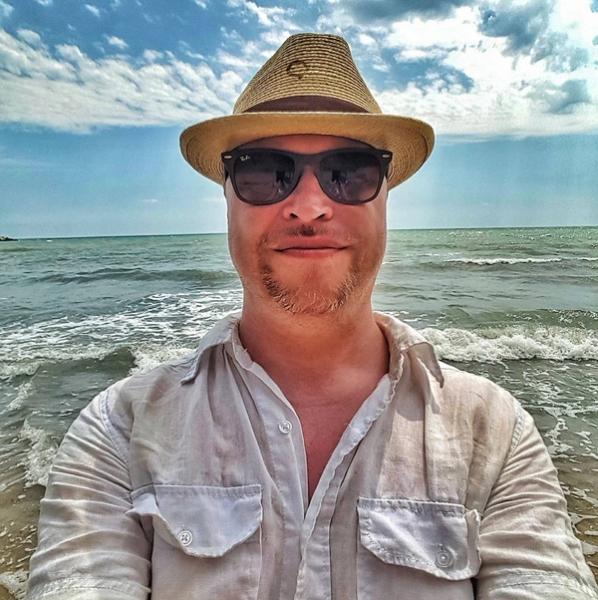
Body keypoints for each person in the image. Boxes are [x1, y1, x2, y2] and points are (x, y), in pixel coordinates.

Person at [27, 33, 597, 600]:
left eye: (349, 172)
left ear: (385, 197)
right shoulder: (120, 429)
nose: (309, 206)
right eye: (262, 172)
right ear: (227, 198)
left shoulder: (493, 432)